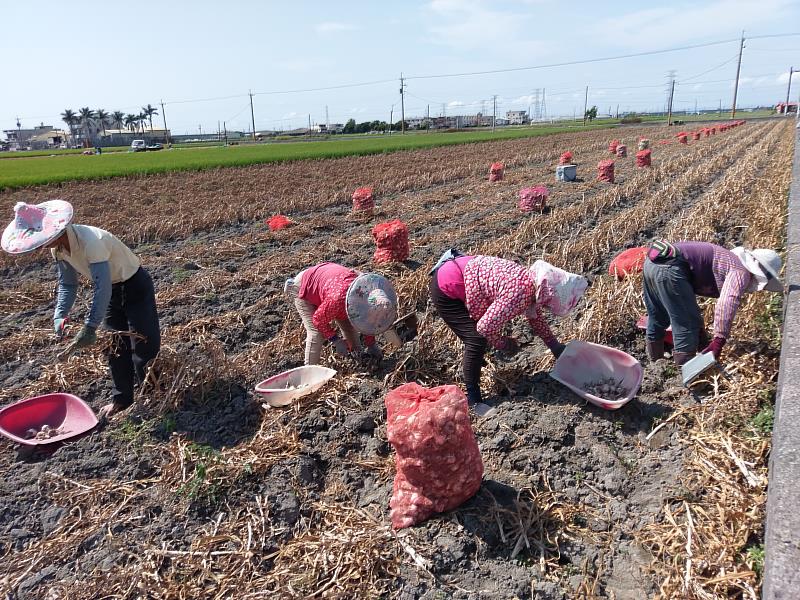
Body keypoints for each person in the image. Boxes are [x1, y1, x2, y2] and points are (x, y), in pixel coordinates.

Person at [1, 201, 161, 419]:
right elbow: (68, 284)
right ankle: (122, 399)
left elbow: (101, 287)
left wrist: (90, 327)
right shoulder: (57, 249)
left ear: (54, 232)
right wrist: (60, 314)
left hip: (134, 286)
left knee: (144, 344)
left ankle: (154, 396)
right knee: (114, 346)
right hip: (113, 292)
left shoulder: (91, 242)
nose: (39, 246)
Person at [429, 251, 588, 407]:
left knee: (478, 340)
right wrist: (503, 344)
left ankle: (475, 364)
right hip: (447, 286)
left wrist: (555, 346)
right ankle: (474, 399)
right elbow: (484, 327)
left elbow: (536, 318)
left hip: (461, 273)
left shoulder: (531, 283)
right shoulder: (520, 294)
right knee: (476, 340)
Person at [643, 240, 783, 365]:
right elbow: (728, 301)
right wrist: (718, 341)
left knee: (658, 315)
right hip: (670, 269)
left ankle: (656, 364)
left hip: (652, 262)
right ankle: (685, 369)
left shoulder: (729, 259)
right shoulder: (741, 271)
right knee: (687, 321)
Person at [284, 262, 397, 365]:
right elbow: (318, 319)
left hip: (330, 281)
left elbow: (369, 320)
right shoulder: (337, 300)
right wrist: (335, 340)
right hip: (305, 284)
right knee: (316, 332)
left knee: (349, 325)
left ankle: (358, 356)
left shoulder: (370, 289)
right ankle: (309, 371)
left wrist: (371, 344)